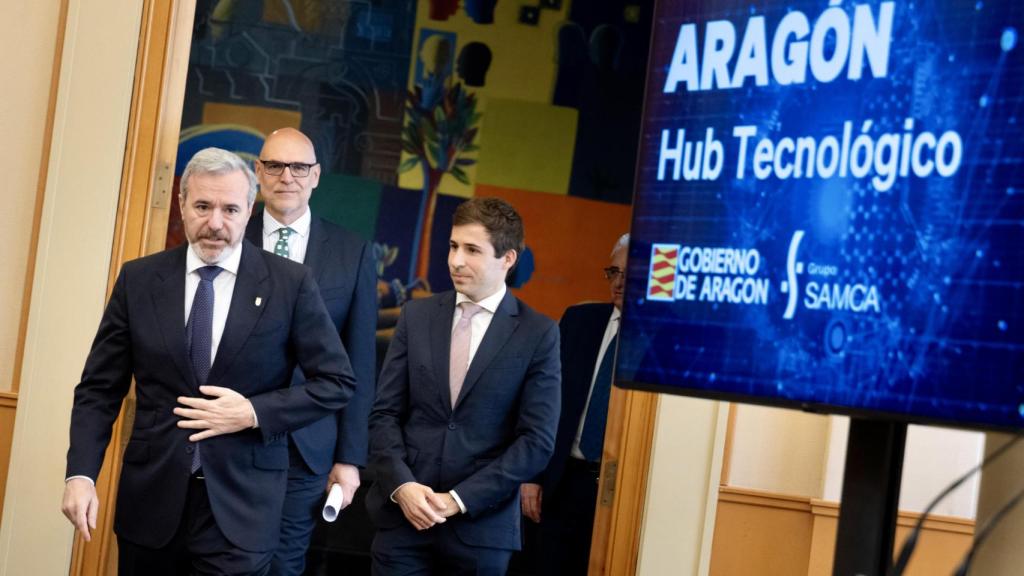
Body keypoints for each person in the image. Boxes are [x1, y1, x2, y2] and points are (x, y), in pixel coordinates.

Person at [61, 147, 356, 576]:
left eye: (230, 209)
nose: (215, 223)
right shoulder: (139, 280)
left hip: (243, 507)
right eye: (202, 206)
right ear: (182, 204)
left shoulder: (289, 284)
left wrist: (253, 412)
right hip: (153, 502)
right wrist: (81, 476)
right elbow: (98, 390)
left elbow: (336, 381)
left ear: (248, 209)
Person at [366, 197, 561, 575]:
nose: (456, 260)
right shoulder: (417, 316)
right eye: (454, 246)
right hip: (403, 520)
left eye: (472, 250)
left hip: (481, 531)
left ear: (508, 259)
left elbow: (536, 442)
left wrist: (458, 500)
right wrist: (403, 486)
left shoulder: (539, 333)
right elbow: (384, 413)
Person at [245, 127, 377, 575]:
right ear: (258, 172)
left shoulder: (352, 252)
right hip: (234, 435)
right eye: (275, 165)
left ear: (316, 175)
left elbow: (359, 360)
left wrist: (350, 458)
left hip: (309, 444)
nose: (288, 176)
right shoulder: (229, 237)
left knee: (285, 564)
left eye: (299, 167)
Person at [521, 233, 628, 575]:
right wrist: (532, 477)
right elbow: (543, 403)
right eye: (614, 272)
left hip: (620, 485)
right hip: (563, 479)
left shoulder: (664, 337)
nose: (620, 283)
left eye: (631, 274)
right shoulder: (579, 321)